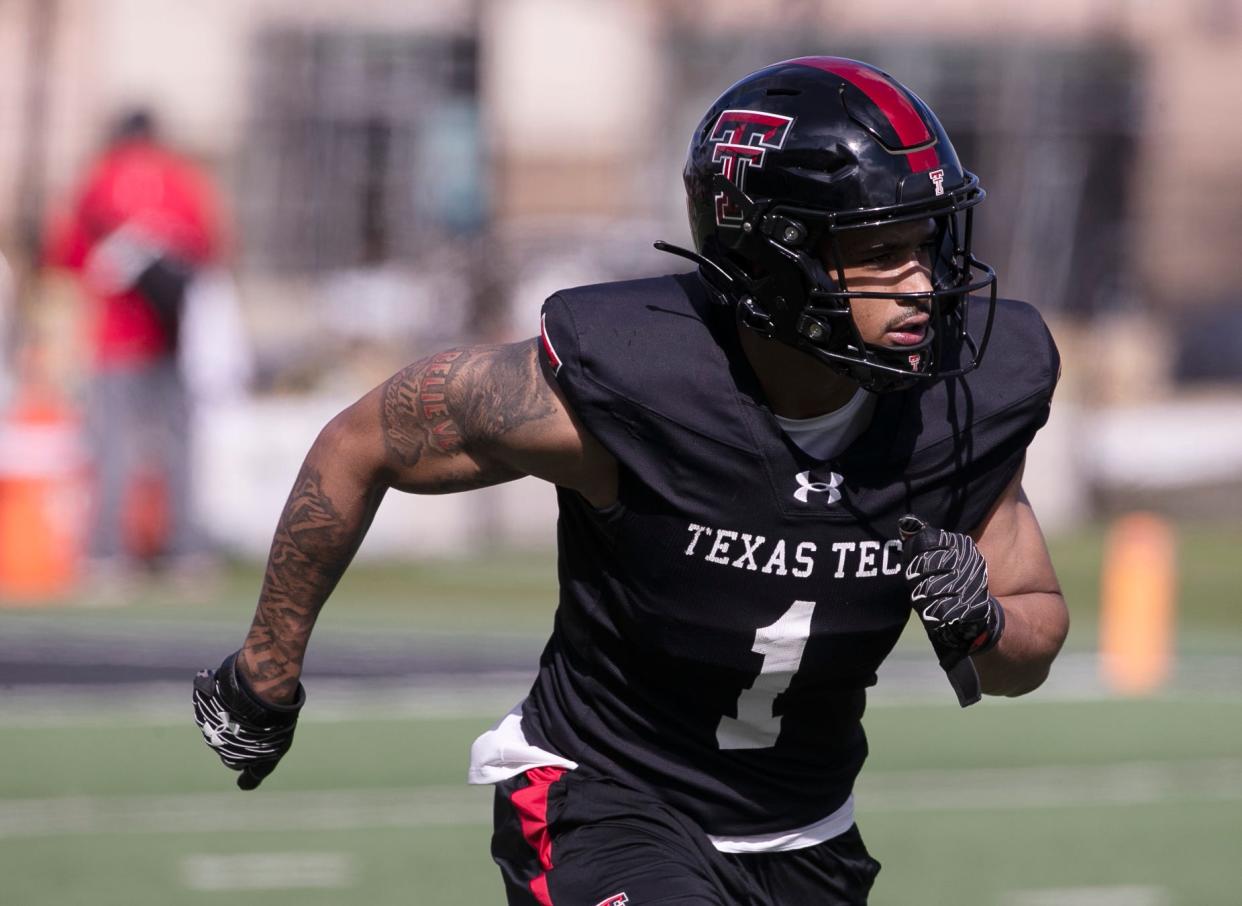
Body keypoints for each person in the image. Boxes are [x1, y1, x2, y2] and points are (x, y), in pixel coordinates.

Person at [193, 57, 1067, 905]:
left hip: (806, 838)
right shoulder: (639, 382)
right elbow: (360, 443)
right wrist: (266, 668)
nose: (924, 286)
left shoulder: (961, 398)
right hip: (607, 801)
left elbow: (1030, 642)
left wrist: (984, 623)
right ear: (770, 258)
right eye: (880, 252)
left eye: (928, 243)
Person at [44, 109, 223, 585]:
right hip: (175, 336)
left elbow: (66, 255)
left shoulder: (98, 179)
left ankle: (107, 555)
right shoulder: (182, 180)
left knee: (112, 446)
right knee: (180, 447)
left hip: (117, 338)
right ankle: (184, 554)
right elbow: (211, 247)